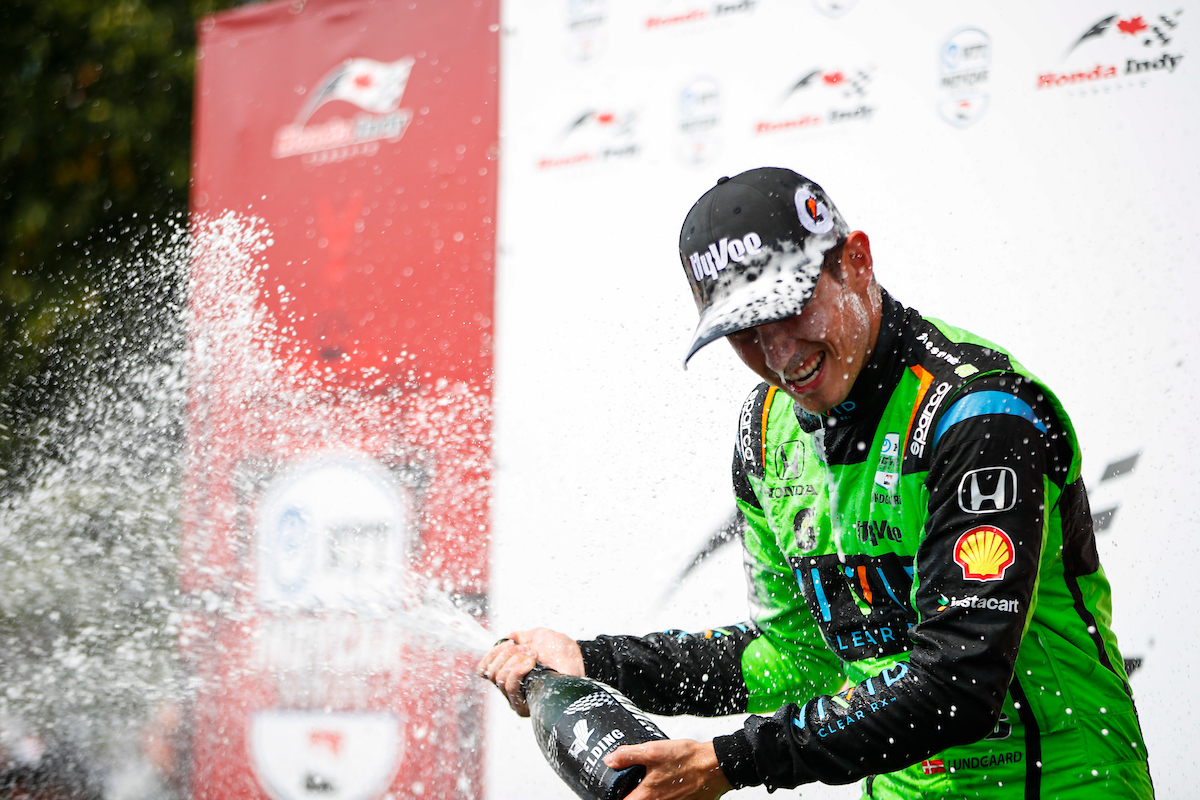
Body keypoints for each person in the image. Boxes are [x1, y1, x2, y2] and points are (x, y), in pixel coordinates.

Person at [478, 167, 1153, 799]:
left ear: (856, 262)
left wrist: (729, 761)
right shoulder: (765, 431)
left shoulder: (977, 413)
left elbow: (959, 680)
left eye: (789, 309)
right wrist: (595, 662)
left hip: (1062, 782)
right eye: (744, 333)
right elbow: (795, 658)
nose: (779, 355)